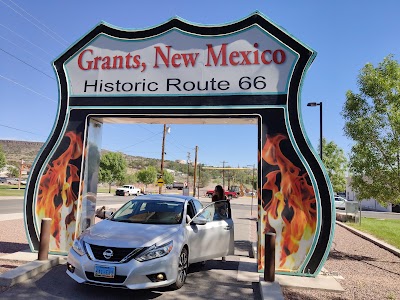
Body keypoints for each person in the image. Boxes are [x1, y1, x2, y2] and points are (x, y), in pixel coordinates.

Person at [212, 185, 227, 262]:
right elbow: (215, 205)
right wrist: (223, 203)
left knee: (223, 237)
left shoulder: (224, 197)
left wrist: (224, 204)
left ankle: (223, 256)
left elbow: (225, 207)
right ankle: (212, 253)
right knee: (214, 236)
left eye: (216, 190)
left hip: (223, 217)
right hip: (216, 216)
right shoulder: (214, 197)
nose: (215, 191)